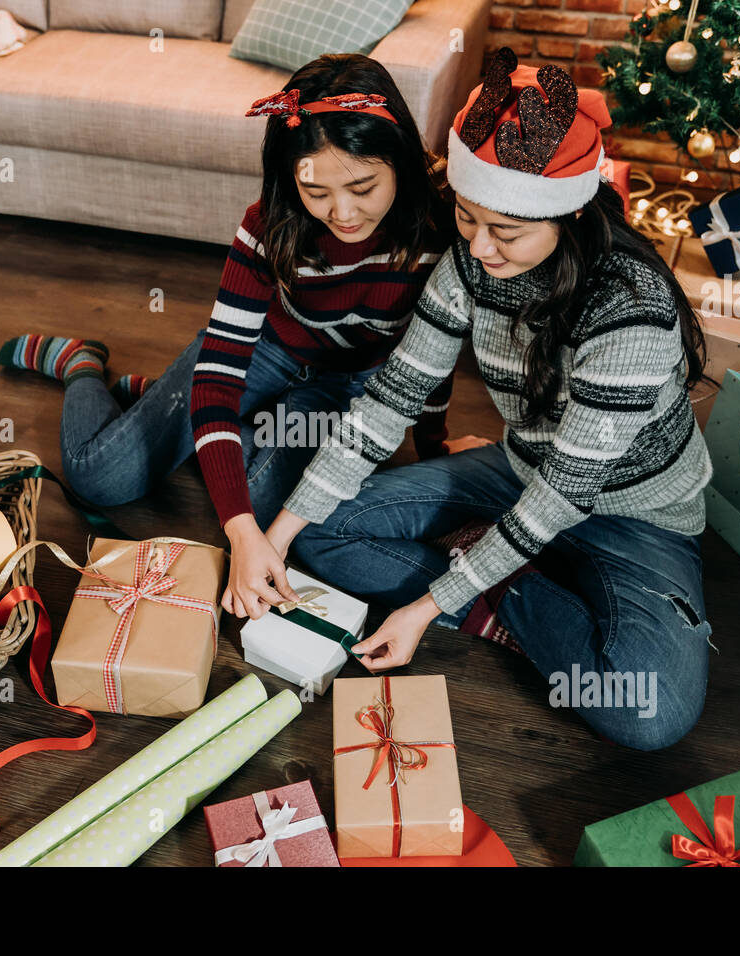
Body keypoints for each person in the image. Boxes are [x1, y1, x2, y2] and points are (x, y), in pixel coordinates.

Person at [254, 53, 715, 752]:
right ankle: (500, 579)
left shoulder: (631, 312)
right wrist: (278, 536)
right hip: (520, 471)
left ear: (567, 213)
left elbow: (565, 494)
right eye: (468, 219)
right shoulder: (470, 262)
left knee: (649, 712)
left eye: (506, 232)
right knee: (318, 533)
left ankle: (495, 583)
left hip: (636, 519)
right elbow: (394, 397)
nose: (479, 247)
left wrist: (429, 605)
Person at [0, 54, 461, 614]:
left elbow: (435, 358)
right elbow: (219, 376)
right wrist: (238, 534)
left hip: (348, 383)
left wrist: (434, 444)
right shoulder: (269, 223)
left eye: (363, 187)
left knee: (270, 506)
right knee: (100, 479)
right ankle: (82, 366)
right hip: (267, 350)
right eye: (317, 192)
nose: (342, 213)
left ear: (400, 161)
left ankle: (165, 402)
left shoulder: (441, 230)